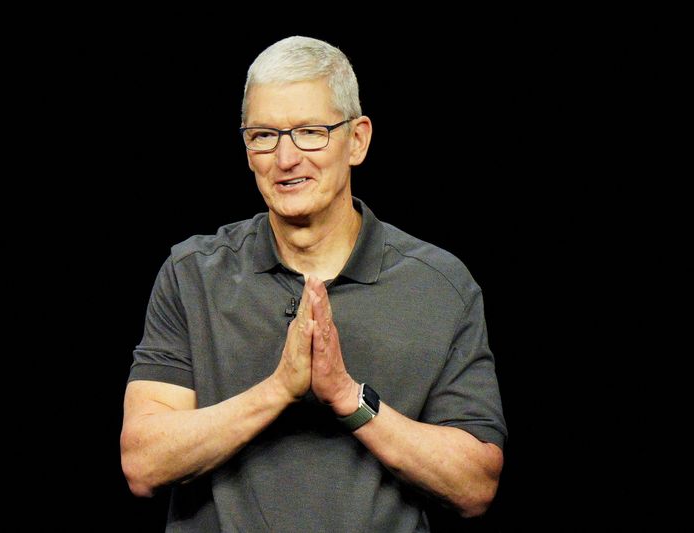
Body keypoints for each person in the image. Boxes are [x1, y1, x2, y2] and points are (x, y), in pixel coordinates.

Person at [121, 35, 506, 532]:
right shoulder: (191, 274)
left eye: (310, 132)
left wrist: (347, 397)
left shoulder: (440, 286)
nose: (285, 159)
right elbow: (143, 462)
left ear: (358, 139)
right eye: (263, 135)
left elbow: (475, 485)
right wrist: (279, 389)